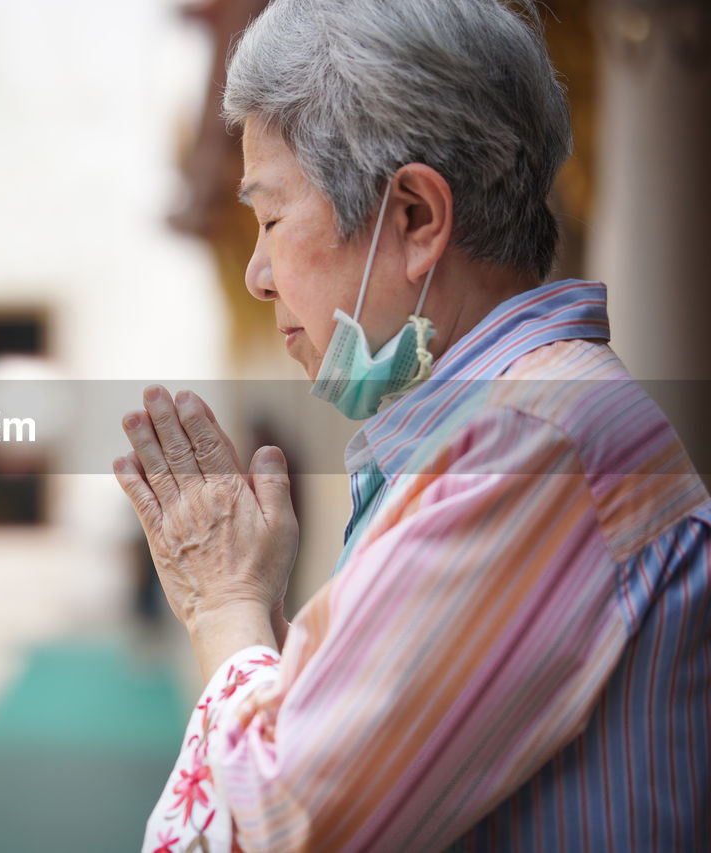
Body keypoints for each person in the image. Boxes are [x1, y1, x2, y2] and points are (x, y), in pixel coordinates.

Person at [113, 1, 711, 850]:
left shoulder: (533, 447)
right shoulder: (508, 428)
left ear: (416, 219)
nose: (256, 274)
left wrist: (226, 602)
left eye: (272, 218)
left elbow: (287, 822)